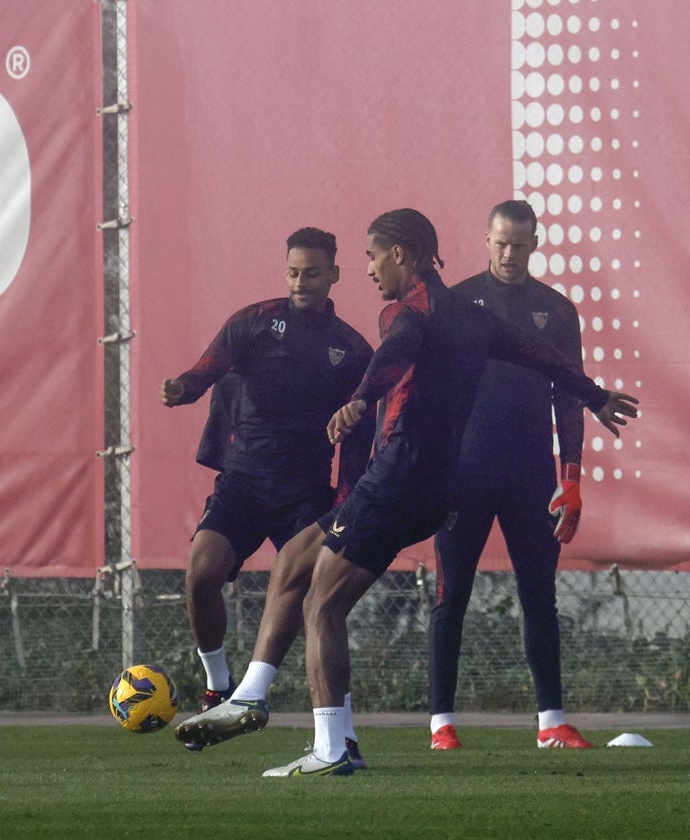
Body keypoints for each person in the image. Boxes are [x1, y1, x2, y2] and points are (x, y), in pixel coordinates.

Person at [177, 208, 638, 777]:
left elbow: (397, 350)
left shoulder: (408, 310)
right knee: (294, 561)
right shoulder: (475, 316)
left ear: (401, 255)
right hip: (430, 488)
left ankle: (327, 749)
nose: (369, 270)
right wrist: (594, 396)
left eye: (372, 256)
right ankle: (258, 696)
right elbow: (543, 356)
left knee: (321, 603)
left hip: (398, 479)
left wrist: (362, 399)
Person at [160, 227, 374, 760]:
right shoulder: (255, 322)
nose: (302, 282)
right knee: (201, 573)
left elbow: (360, 432)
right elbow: (207, 369)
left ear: (334, 275)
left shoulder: (350, 349)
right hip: (244, 483)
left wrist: (345, 502)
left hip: (305, 495)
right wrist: (182, 389)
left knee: (323, 608)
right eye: (294, 272)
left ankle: (341, 735)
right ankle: (220, 687)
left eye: (313, 273)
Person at [429, 200, 591, 750]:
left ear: (535, 243)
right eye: (500, 242)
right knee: (451, 596)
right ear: (486, 239)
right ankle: (441, 724)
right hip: (465, 472)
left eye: (519, 244)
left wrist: (570, 477)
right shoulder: (456, 302)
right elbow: (433, 390)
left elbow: (569, 398)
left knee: (539, 596)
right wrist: (434, 466)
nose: (508, 253)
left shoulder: (556, 310)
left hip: (529, 473)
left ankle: (551, 723)